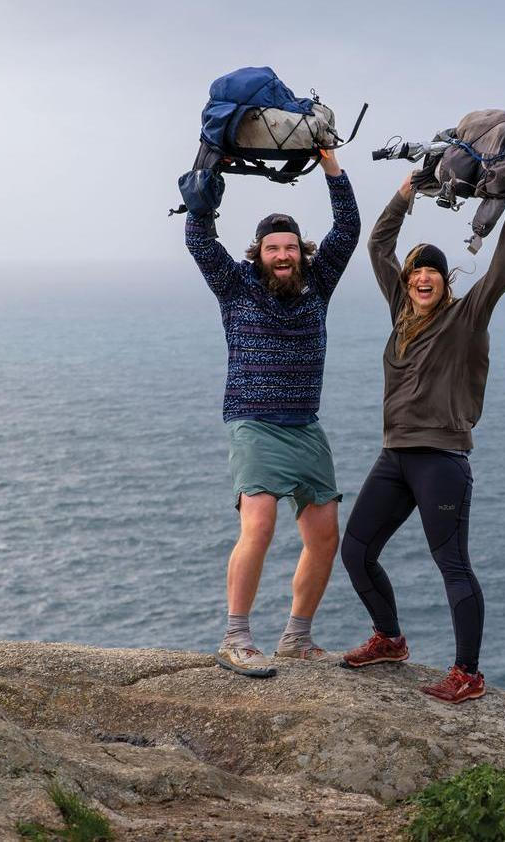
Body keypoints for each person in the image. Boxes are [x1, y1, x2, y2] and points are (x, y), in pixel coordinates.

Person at [338, 173, 505, 703]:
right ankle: (390, 638)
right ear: (407, 283)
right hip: (395, 455)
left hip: (441, 459)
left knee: (452, 565)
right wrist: (406, 191)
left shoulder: (466, 317)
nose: (422, 279)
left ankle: (467, 673)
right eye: (415, 272)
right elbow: (379, 245)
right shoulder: (400, 313)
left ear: (446, 281)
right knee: (356, 550)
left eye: (432, 272)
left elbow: (503, 268)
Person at [184, 148, 360, 677]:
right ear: (258, 253)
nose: (281, 255)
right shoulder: (235, 287)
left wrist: (330, 163)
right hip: (254, 422)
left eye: (289, 247)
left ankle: (296, 638)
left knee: (325, 535)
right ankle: (236, 636)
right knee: (257, 526)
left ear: (301, 252)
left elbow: (348, 226)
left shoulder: (319, 283)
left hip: (305, 425)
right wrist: (206, 173)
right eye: (271, 247)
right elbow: (198, 239)